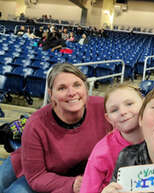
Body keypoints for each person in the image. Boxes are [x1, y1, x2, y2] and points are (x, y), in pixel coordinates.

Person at [0, 63, 112, 193]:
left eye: (77, 85)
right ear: (51, 94)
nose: (72, 93)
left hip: (78, 172)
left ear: (85, 87)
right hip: (36, 168)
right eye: (62, 88)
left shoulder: (104, 108)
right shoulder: (36, 124)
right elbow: (36, 176)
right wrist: (73, 184)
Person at [80, 84, 144, 193]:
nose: (123, 112)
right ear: (108, 118)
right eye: (114, 110)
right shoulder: (102, 152)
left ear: (144, 104)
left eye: (129, 104)